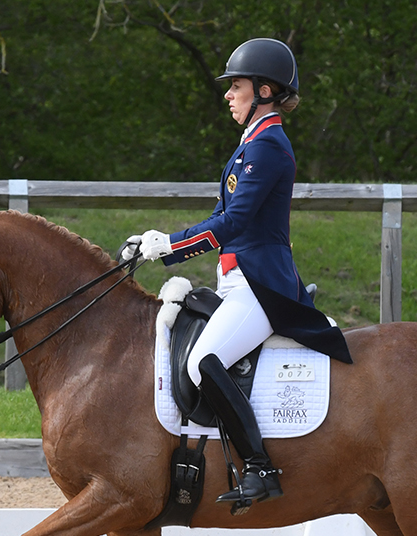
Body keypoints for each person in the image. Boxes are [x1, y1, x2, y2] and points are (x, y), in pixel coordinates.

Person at [128, 38, 352, 511]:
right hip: (237, 280)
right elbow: (220, 216)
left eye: (237, 86)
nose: (229, 95)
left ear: (264, 91)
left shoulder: (268, 145)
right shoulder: (251, 143)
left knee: (202, 361)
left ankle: (259, 467)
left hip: (261, 285)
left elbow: (235, 222)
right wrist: (159, 241)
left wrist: (171, 246)